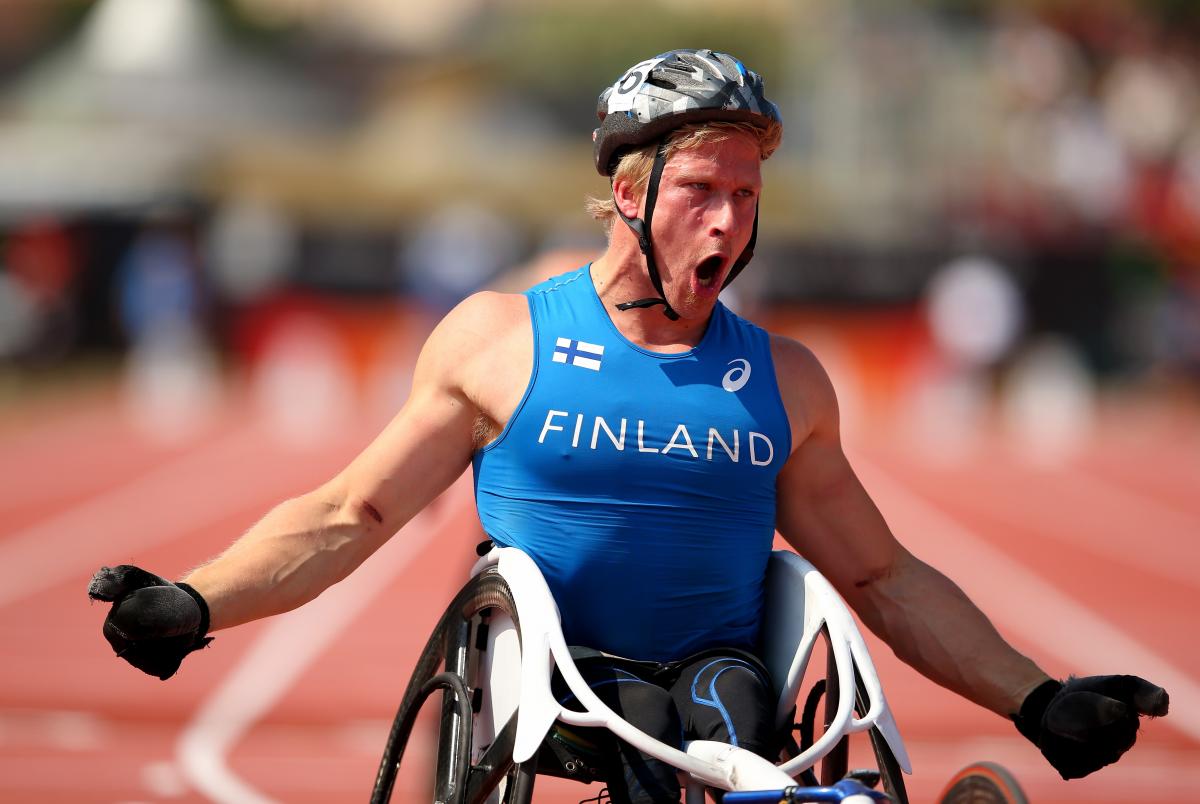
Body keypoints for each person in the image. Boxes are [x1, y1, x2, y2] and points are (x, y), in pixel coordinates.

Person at [89, 49, 1168, 803]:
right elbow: (351, 510)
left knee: (729, 708)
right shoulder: (499, 341)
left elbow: (882, 580)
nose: (730, 221)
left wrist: (1037, 696)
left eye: (747, 196)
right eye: (703, 189)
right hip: (555, 676)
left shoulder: (784, 380)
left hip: (722, 679)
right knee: (652, 731)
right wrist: (196, 601)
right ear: (628, 192)